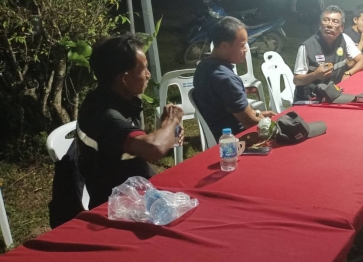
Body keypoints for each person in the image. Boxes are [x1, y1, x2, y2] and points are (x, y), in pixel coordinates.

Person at [77, 35, 184, 209]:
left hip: (138, 193)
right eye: (144, 69)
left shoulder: (117, 99)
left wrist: (170, 133)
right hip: (117, 207)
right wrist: (171, 122)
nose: (148, 75)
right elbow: (153, 149)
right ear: (125, 79)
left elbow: (148, 145)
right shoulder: (105, 115)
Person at [193, 16, 276, 141]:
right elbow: (249, 123)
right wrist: (276, 124)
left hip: (220, 132)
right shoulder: (226, 79)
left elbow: (234, 110)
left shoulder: (203, 67)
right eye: (242, 45)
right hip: (237, 140)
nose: (246, 50)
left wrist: (259, 113)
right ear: (225, 46)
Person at [293, 5, 363, 101]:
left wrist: (348, 73)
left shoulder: (344, 39)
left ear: (341, 27)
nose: (329, 25)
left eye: (335, 21)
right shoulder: (307, 47)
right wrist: (315, 75)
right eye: (326, 20)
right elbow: (297, 80)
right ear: (320, 25)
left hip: (334, 95)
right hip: (311, 100)